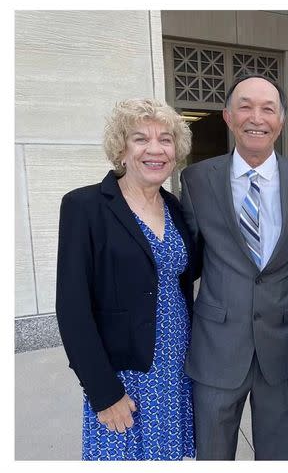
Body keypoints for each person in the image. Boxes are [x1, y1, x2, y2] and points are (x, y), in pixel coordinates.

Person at [180, 73, 288, 460]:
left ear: (281, 120)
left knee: (279, 456)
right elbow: (187, 262)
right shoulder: (196, 179)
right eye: (245, 106)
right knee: (212, 456)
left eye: (268, 108)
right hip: (216, 348)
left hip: (281, 346)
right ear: (227, 116)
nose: (256, 117)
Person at [55, 98, 195, 460]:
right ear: (121, 148)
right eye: (140, 139)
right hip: (124, 377)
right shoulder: (85, 206)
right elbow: (72, 309)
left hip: (175, 370)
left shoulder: (176, 207)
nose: (155, 149)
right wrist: (103, 393)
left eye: (165, 139)